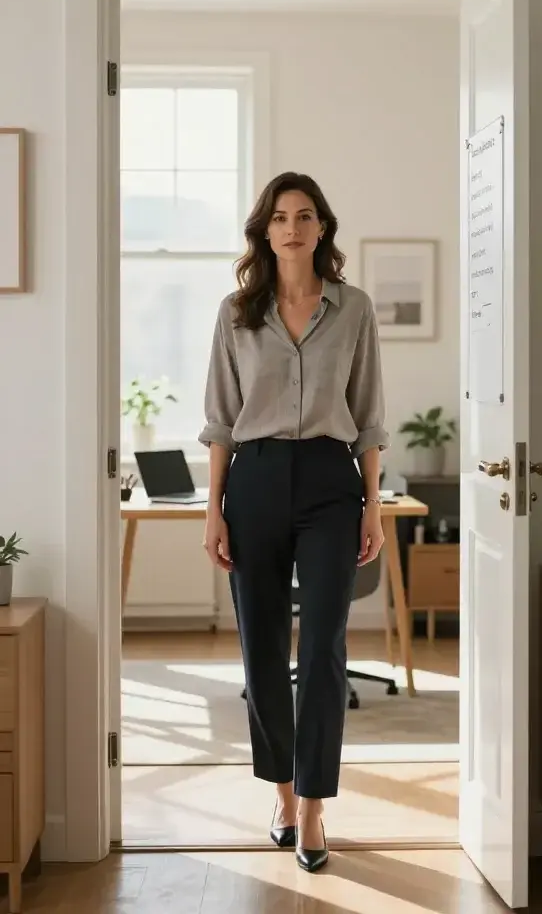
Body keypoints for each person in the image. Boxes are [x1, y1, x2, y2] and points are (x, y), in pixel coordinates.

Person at [199, 172, 389, 873]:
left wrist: (372, 502)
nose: (292, 227)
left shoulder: (354, 309)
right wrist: (214, 510)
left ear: (321, 228)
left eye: (305, 216)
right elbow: (219, 419)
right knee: (263, 647)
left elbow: (369, 417)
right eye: (279, 217)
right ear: (265, 230)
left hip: (331, 482)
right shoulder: (236, 313)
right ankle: (280, 793)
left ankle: (313, 806)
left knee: (324, 650)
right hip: (252, 480)